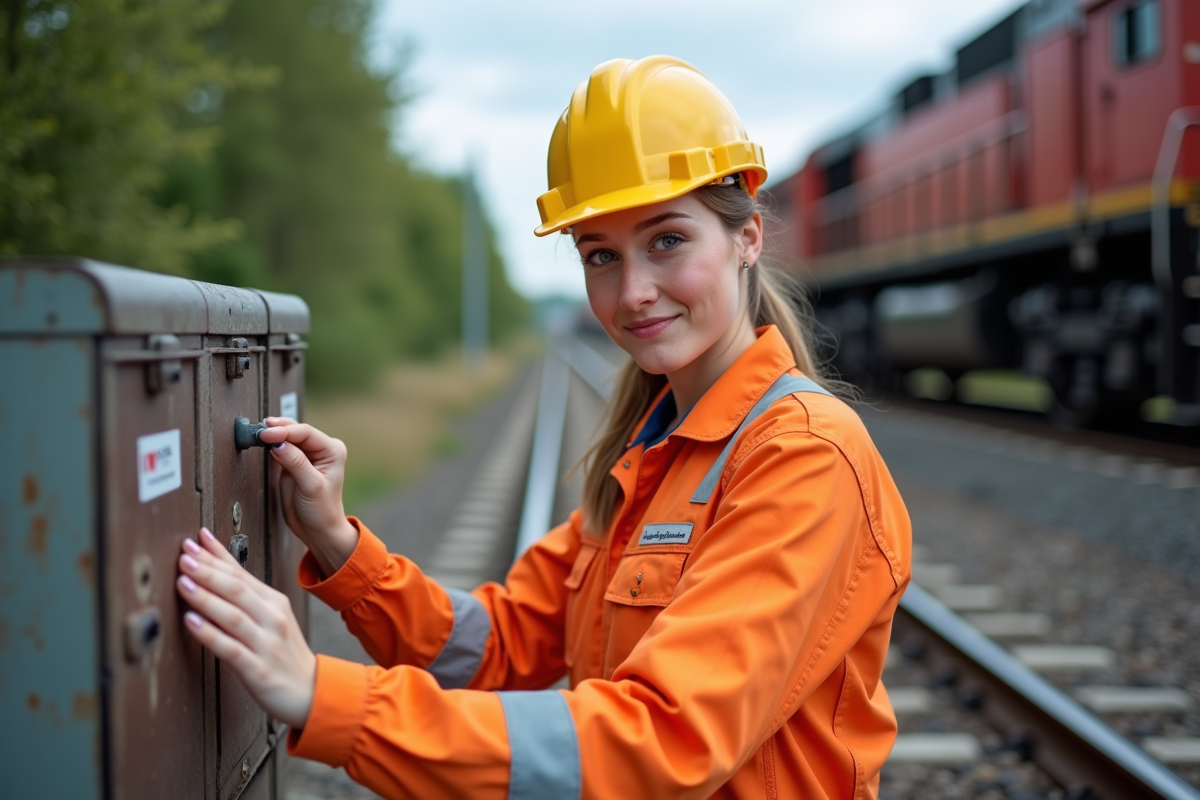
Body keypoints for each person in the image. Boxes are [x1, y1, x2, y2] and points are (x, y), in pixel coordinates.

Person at [175, 55, 912, 799]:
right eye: (600, 255)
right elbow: (493, 647)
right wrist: (337, 540)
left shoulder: (803, 456)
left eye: (667, 241)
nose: (634, 293)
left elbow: (665, 739)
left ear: (747, 237)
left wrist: (320, 695)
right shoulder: (652, 453)